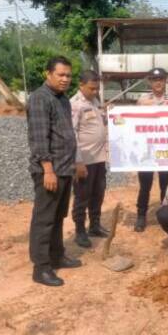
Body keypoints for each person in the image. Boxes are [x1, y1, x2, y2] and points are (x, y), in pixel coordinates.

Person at [26, 56, 83, 287]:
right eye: (60, 75)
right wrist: (48, 170)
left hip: (65, 169)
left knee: (58, 217)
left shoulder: (63, 100)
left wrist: (75, 163)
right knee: (44, 220)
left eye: (68, 75)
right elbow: (40, 139)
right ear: (48, 74)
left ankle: (57, 256)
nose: (65, 79)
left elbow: (66, 133)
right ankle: (41, 268)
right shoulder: (40, 99)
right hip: (50, 172)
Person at [134, 67, 168, 232]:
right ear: (149, 82)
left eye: (160, 79)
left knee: (166, 185)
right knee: (144, 185)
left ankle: (164, 215)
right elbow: (133, 123)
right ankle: (141, 216)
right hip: (146, 151)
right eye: (154, 80)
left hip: (166, 150)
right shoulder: (142, 100)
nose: (158, 82)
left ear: (165, 81)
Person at [70, 70, 109, 248]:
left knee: (98, 194)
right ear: (81, 85)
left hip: (99, 159)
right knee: (82, 197)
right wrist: (78, 162)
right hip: (84, 161)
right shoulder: (75, 104)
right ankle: (80, 231)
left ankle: (94, 225)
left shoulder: (94, 101)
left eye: (97, 88)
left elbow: (100, 123)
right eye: (92, 88)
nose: (95, 92)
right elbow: (71, 134)